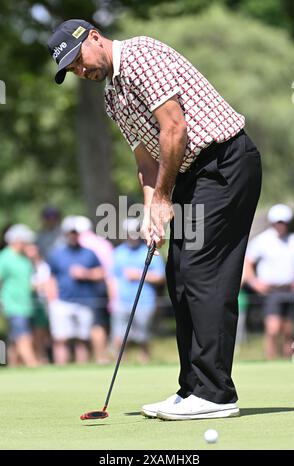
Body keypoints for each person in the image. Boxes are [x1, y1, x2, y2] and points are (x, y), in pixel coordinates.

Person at [47, 20, 262, 420]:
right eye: (72, 69)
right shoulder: (114, 95)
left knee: (202, 273)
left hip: (226, 164)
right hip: (192, 176)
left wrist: (164, 197)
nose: (81, 71)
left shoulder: (142, 55)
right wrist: (152, 212)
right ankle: (193, 389)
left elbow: (174, 129)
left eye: (78, 60)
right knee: (179, 273)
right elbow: (146, 160)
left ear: (94, 36)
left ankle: (216, 394)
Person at [244, 204, 294, 360]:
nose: (280, 225)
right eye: (278, 222)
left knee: (289, 331)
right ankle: (271, 360)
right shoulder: (263, 240)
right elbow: (247, 262)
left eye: (283, 222)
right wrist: (254, 282)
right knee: (273, 329)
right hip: (271, 291)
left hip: (290, 290)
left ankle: (288, 362)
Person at [47, 216, 105, 364]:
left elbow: (101, 273)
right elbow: (51, 277)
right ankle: (61, 370)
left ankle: (81, 369)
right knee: (61, 339)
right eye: (69, 233)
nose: (72, 236)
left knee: (82, 339)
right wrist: (51, 299)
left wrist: (86, 274)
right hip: (62, 301)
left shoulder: (89, 253)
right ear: (65, 234)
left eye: (75, 233)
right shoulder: (57, 253)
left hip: (85, 301)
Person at [112, 218, 165, 363]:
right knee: (120, 339)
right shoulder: (117, 253)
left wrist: (139, 275)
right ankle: (122, 365)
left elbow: (161, 277)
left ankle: (145, 363)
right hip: (121, 302)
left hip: (145, 302)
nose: (132, 236)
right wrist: (112, 300)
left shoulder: (150, 251)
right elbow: (112, 279)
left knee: (143, 338)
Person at [0, 224, 39, 367]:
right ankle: (33, 365)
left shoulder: (25, 260)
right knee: (24, 338)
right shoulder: (4, 258)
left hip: (26, 305)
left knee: (15, 342)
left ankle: (13, 367)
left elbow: (27, 282)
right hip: (12, 305)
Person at [76, 215, 112, 364]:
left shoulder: (82, 242)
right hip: (102, 287)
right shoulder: (102, 242)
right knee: (100, 324)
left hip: (89, 288)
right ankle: (100, 356)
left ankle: (94, 358)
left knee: (93, 325)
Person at [24, 242, 52, 364]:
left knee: (41, 334)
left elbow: (46, 285)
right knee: (24, 336)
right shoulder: (22, 265)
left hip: (40, 304)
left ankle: (42, 359)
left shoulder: (43, 266)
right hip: (23, 304)